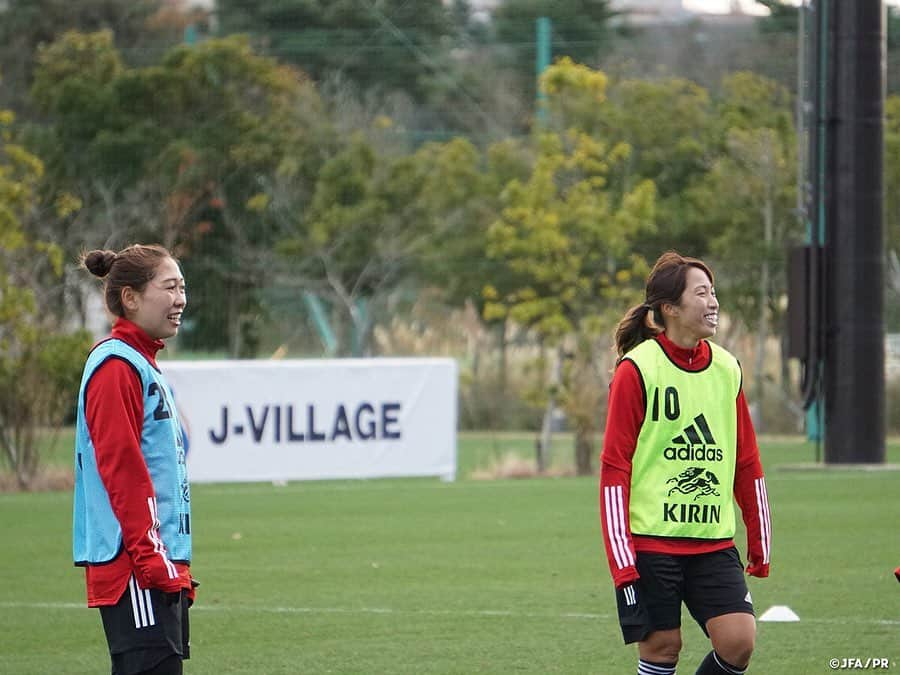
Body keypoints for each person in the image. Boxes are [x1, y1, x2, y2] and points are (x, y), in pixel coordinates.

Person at [599, 251, 771, 675]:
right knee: (662, 647)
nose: (713, 302)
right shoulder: (636, 370)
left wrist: (758, 534)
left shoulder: (728, 368)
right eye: (701, 293)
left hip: (712, 541)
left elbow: (746, 459)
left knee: (738, 641)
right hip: (651, 541)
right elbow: (614, 469)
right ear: (670, 309)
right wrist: (623, 563)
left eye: (714, 293)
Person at [73, 244, 196, 675]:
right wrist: (152, 562)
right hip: (136, 570)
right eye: (169, 287)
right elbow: (123, 474)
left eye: (182, 287)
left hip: (154, 565)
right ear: (130, 297)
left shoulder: (142, 363)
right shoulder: (115, 366)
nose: (180, 298)